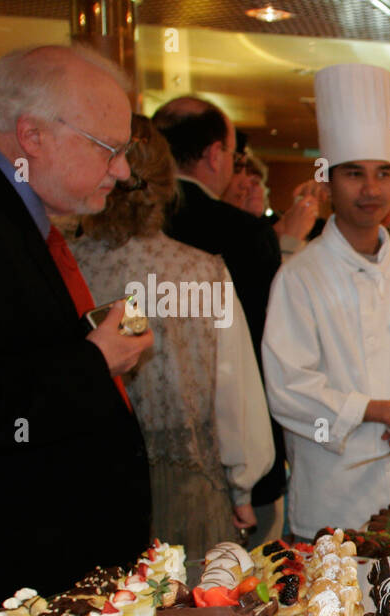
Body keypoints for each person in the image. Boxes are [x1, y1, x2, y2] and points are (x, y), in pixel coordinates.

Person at [0, 45, 152, 611]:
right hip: (10, 579)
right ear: (32, 136)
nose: (122, 171)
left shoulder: (14, 208)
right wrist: (95, 360)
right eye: (109, 149)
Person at [262, 64, 390, 540]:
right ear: (328, 184)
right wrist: (381, 411)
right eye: (354, 174)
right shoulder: (299, 277)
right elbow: (289, 388)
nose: (370, 190)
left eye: (382, 175)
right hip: (332, 494)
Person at [69, 115, 274, 558]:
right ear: (167, 186)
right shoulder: (203, 271)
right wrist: (243, 489)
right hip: (191, 486)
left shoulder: (66, 266)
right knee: (197, 614)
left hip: (90, 487)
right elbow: (234, 394)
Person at [152, 96, 287, 545]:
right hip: (232, 447)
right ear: (214, 154)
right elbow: (266, 349)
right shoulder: (244, 233)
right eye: (232, 154)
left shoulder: (106, 234)